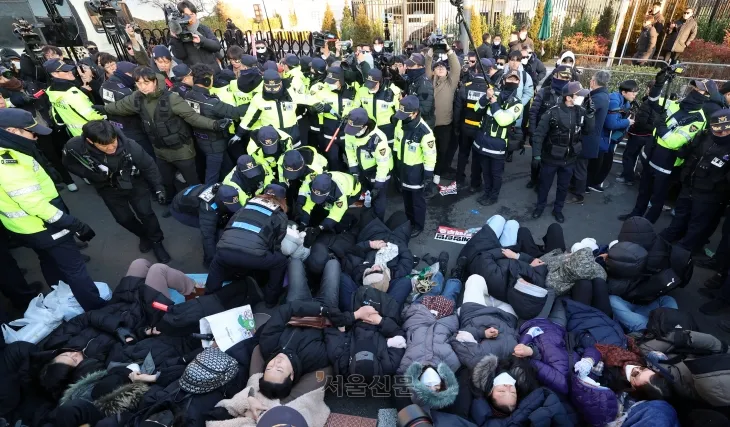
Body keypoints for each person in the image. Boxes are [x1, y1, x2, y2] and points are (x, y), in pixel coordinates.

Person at [0, 109, 104, 311]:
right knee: (75, 269)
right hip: (44, 225)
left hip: (24, 228)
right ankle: (98, 309)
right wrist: (73, 224)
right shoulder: (10, 163)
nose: (35, 136)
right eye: (31, 132)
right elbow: (34, 204)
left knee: (48, 260)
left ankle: (62, 297)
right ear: (12, 131)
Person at [98, 66, 230, 204]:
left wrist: (214, 124)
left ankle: (199, 206)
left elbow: (193, 117)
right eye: (139, 83)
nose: (143, 87)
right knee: (166, 181)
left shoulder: (172, 99)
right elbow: (120, 106)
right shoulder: (137, 98)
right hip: (160, 151)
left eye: (146, 82)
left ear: (154, 82)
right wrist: (103, 108)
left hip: (182, 150)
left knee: (193, 183)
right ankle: (170, 203)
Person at [62, 120, 170, 263]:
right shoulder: (74, 146)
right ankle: (144, 235)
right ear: (90, 141)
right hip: (108, 188)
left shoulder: (130, 146)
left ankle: (156, 241)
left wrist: (159, 188)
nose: (112, 147)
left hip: (134, 183)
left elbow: (149, 165)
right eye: (104, 145)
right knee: (123, 219)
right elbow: (69, 163)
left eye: (113, 142)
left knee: (146, 213)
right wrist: (91, 175)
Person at [618, 71, 708, 223]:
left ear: (706, 95)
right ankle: (635, 215)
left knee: (658, 196)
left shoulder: (699, 118)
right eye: (693, 87)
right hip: (652, 152)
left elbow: (674, 142)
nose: (693, 91)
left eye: (698, 90)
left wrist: (660, 127)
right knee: (644, 190)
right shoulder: (678, 104)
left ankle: (647, 224)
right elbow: (653, 101)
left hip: (667, 161)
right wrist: (659, 84)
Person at [255, 258, 345, 398]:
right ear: (291, 376)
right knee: (333, 264)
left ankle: (313, 275)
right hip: (326, 310)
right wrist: (329, 314)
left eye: (269, 367)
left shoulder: (267, 346)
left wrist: (318, 309)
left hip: (298, 305)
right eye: (279, 369)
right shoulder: (314, 360)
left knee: (295, 262)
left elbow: (283, 312)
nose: (275, 362)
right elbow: (332, 333)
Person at [658, 109, 730, 255]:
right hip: (690, 184)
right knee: (680, 214)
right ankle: (670, 236)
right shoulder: (705, 136)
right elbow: (687, 153)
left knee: (697, 224)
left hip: (711, 193)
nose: (719, 134)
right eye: (716, 130)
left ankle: (684, 249)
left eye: (724, 131)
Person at [204, 184, 289, 303]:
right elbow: (275, 244)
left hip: (224, 250)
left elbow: (229, 226)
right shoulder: (280, 215)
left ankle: (208, 298)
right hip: (253, 256)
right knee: (280, 262)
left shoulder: (246, 205)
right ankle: (271, 300)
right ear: (283, 199)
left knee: (217, 264)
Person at [532, 82, 595, 223]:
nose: (582, 98)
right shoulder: (552, 112)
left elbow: (588, 131)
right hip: (551, 158)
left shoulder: (581, 111)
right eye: (578, 95)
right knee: (544, 185)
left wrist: (590, 115)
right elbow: (538, 135)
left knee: (563, 186)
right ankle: (539, 207)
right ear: (568, 97)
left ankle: (558, 210)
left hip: (570, 159)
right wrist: (536, 155)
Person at [181, 63, 243, 185]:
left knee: (228, 168)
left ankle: (231, 188)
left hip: (201, 140)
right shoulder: (211, 103)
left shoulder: (188, 95)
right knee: (212, 176)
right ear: (206, 80)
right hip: (215, 144)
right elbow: (235, 112)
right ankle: (206, 200)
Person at [472, 71, 524, 206]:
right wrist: (485, 97)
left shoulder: (518, 104)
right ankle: (487, 192)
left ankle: (493, 196)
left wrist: (494, 102)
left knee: (496, 174)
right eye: (509, 78)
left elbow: (503, 120)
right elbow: (477, 109)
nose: (512, 81)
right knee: (486, 172)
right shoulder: (493, 94)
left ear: (519, 83)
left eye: (515, 80)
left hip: (498, 147)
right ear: (503, 80)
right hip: (482, 143)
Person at [393, 95, 437, 237]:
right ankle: (409, 220)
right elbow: (396, 143)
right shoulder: (401, 123)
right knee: (406, 199)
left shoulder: (425, 133)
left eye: (406, 114)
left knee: (417, 201)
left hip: (416, 172)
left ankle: (418, 225)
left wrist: (428, 177)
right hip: (402, 168)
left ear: (415, 113)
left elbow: (430, 157)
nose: (402, 117)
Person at [170, 183, 238, 268]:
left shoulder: (224, 190)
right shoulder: (208, 209)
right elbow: (208, 237)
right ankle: (208, 263)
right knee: (214, 231)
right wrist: (214, 263)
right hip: (179, 211)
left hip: (188, 195)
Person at [527, 67, 573, 192]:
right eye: (562, 76)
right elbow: (533, 112)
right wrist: (533, 131)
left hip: (556, 136)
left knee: (548, 163)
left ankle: (541, 184)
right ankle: (533, 179)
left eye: (567, 77)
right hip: (540, 132)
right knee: (535, 160)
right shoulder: (544, 92)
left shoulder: (569, 95)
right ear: (554, 76)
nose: (564, 79)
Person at [567, 70, 609, 204]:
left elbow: (583, 112)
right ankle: (575, 188)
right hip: (590, 136)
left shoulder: (598, 98)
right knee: (580, 165)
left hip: (588, 138)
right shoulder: (603, 95)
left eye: (591, 79)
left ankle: (578, 194)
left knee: (580, 166)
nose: (590, 81)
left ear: (594, 82)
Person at [232, 69, 302, 149]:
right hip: (272, 134)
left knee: (295, 153)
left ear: (280, 84)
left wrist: (317, 104)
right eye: (269, 88)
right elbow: (249, 117)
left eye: (275, 88)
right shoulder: (258, 98)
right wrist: (239, 134)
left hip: (292, 131)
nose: (272, 91)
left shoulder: (291, 92)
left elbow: (306, 99)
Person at [587, 79, 637, 193]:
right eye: (633, 92)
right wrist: (627, 122)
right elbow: (611, 124)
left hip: (608, 139)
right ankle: (589, 184)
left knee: (603, 164)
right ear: (624, 92)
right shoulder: (614, 101)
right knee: (598, 164)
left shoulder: (624, 101)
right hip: (603, 138)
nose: (635, 94)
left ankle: (592, 183)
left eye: (636, 92)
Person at [343, 108, 393, 220]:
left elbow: (383, 165)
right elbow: (349, 150)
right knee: (366, 193)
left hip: (379, 171)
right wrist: (354, 170)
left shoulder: (378, 139)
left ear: (364, 127)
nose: (351, 133)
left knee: (379, 198)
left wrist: (378, 185)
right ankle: (366, 216)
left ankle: (378, 222)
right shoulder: (350, 131)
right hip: (363, 168)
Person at [99, 61, 155, 159]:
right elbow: (137, 109)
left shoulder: (104, 85)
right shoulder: (125, 91)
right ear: (125, 74)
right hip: (134, 128)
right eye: (132, 74)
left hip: (117, 127)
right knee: (147, 155)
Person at [425, 45, 460, 188]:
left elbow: (456, 68)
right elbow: (427, 66)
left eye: (443, 67)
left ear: (447, 71)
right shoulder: (429, 81)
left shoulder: (451, 83)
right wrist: (431, 52)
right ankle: (428, 174)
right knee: (428, 151)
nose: (440, 68)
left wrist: (449, 51)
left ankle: (437, 174)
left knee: (442, 151)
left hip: (445, 125)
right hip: (429, 125)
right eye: (437, 66)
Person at [310, 66, 357, 171]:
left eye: (333, 82)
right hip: (329, 133)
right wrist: (313, 108)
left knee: (353, 160)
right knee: (333, 160)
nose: (330, 84)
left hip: (347, 133)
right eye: (329, 81)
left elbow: (358, 105)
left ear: (341, 80)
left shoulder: (353, 90)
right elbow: (310, 103)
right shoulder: (320, 89)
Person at [45, 59, 105, 138]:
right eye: (65, 71)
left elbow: (58, 119)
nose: (70, 71)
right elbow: (93, 116)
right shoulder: (72, 94)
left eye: (68, 68)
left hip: (77, 135)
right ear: (55, 74)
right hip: (96, 134)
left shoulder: (52, 92)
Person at [618, 82, 659, 186]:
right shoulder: (660, 103)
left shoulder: (647, 104)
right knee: (638, 157)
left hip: (639, 135)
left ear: (649, 90)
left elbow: (641, 122)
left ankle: (628, 177)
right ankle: (630, 175)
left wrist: (632, 126)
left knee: (629, 155)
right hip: (649, 135)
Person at [295, 171, 361, 233]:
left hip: (353, 190)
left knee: (340, 214)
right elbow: (308, 205)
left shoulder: (339, 194)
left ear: (328, 193)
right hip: (340, 178)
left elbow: (336, 215)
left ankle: (347, 225)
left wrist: (320, 228)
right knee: (324, 206)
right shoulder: (314, 183)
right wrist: (303, 222)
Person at [353, 68, 401, 146]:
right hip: (369, 127)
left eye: (373, 85)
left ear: (380, 81)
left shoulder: (393, 92)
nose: (370, 87)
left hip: (387, 129)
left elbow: (400, 112)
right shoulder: (362, 90)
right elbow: (355, 107)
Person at [167, 0, 221, 69]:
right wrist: (175, 38)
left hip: (213, 72)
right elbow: (180, 56)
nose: (191, 17)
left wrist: (201, 40)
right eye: (186, 15)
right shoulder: (178, 34)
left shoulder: (203, 29)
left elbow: (217, 46)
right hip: (195, 75)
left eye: (192, 14)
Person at [404, 53, 435, 128]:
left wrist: (406, 104)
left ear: (420, 66)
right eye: (408, 65)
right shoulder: (413, 79)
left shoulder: (425, 84)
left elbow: (424, 109)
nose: (408, 67)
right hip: (414, 121)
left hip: (422, 124)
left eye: (411, 65)